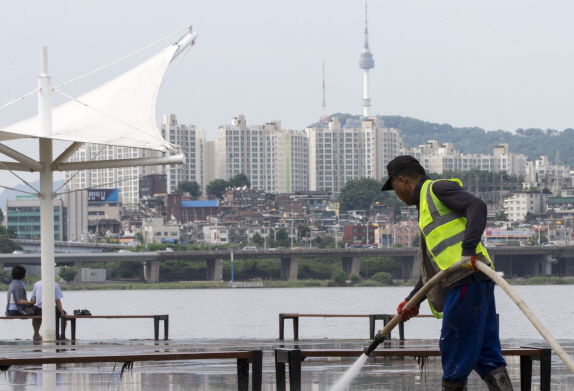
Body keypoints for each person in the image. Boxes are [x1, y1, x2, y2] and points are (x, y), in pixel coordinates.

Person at [381, 156, 512, 391]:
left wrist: (468, 250)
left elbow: (477, 206)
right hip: (472, 281)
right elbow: (436, 267)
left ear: (402, 181)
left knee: (454, 348)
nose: (397, 195)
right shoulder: (426, 210)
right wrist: (414, 299)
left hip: (465, 280)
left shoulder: (437, 189)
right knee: (486, 352)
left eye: (394, 189)